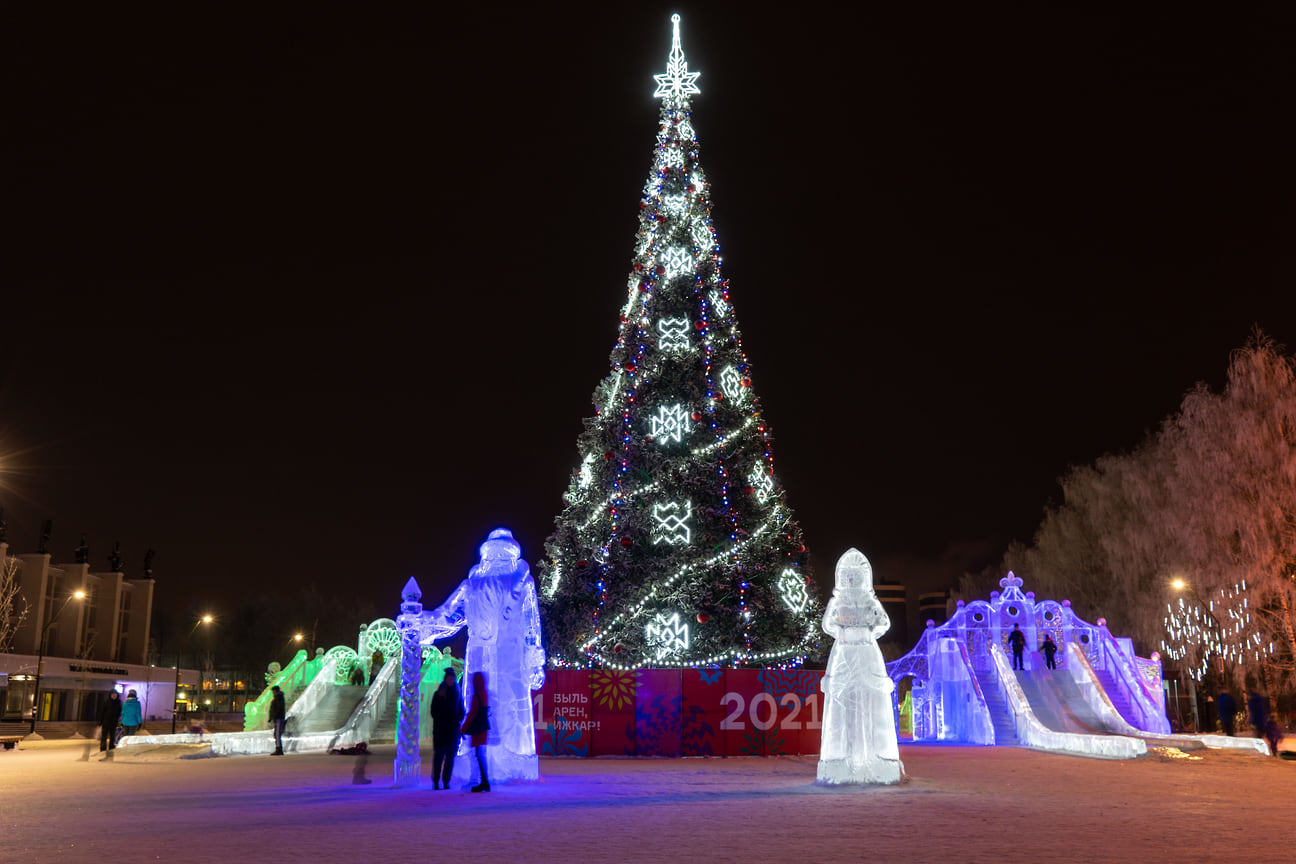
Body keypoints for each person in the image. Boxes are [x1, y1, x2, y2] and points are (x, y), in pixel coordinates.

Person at [815, 549, 903, 785]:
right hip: (844, 653)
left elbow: (885, 623)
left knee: (870, 700)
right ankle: (842, 759)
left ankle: (876, 759)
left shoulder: (870, 601)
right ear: (842, 577)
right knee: (844, 701)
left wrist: (869, 631)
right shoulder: (838, 601)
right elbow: (827, 625)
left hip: (867, 653)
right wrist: (845, 631)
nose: (852, 580)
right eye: (848, 575)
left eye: (857, 575)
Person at [430, 667, 464, 790]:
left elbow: (462, 710)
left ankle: (446, 781)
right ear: (446, 680)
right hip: (441, 731)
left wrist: (458, 719)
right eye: (449, 679)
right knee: (439, 757)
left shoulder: (457, 694)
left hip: (453, 731)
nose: (452, 681)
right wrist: (442, 720)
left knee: (450, 758)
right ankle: (435, 781)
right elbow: (433, 712)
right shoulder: (438, 694)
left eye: (453, 679)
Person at [460, 671, 491, 792]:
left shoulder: (476, 696)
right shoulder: (484, 694)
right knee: (480, 754)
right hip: (483, 727)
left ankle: (484, 781)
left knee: (479, 754)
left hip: (478, 728)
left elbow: (472, 714)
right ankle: (484, 781)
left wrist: (463, 728)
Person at [99, 690, 123, 754]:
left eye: (115, 694)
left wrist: (117, 718)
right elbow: (102, 712)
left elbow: (120, 712)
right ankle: (103, 749)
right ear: (110, 695)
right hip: (106, 722)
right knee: (104, 736)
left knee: (112, 736)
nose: (114, 695)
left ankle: (111, 748)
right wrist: (101, 721)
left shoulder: (118, 702)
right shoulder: (106, 702)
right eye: (112, 694)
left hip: (114, 722)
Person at [269, 685, 286, 755]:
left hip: (279, 718)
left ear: (275, 691)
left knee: (277, 733)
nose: (272, 692)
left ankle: (279, 749)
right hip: (277, 717)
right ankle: (278, 748)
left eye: (273, 691)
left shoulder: (278, 698)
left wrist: (274, 716)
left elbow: (278, 708)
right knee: (276, 734)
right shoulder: (277, 698)